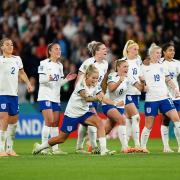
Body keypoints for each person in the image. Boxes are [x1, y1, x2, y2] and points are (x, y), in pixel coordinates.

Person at [32, 65, 116, 156]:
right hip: (72, 114)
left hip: (84, 112)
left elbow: (103, 97)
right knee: (61, 138)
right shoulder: (80, 84)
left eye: (97, 78)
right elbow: (87, 98)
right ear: (87, 76)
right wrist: (97, 98)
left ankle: (104, 150)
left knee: (99, 123)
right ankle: (39, 147)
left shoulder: (95, 85)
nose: (95, 80)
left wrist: (114, 104)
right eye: (93, 78)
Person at [37, 42, 77, 155]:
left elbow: (59, 83)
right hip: (45, 96)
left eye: (59, 49)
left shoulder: (60, 65)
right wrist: (49, 78)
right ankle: (43, 148)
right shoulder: (43, 63)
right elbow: (41, 80)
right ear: (50, 51)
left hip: (56, 97)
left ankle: (55, 149)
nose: (59, 51)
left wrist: (67, 80)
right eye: (56, 49)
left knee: (55, 123)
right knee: (49, 121)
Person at [140, 43, 180, 153]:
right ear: (151, 54)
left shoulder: (162, 66)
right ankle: (142, 147)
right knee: (148, 125)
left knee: (177, 119)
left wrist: (176, 89)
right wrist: (144, 85)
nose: (159, 55)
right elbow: (140, 80)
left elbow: (168, 79)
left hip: (164, 97)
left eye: (159, 53)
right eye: (157, 53)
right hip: (151, 99)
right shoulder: (144, 67)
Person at [0, 38, 33, 156]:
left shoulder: (17, 59)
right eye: (7, 44)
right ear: (2, 47)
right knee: (3, 119)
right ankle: (1, 149)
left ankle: (9, 148)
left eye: (12, 44)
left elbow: (22, 73)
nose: (10, 46)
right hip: (2, 94)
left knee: (13, 122)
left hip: (14, 95)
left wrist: (28, 83)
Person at [102, 59, 144, 153]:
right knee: (122, 120)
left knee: (107, 129)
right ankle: (125, 147)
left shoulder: (128, 77)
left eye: (127, 67)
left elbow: (141, 88)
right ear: (118, 67)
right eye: (125, 66)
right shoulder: (112, 75)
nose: (127, 68)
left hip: (120, 107)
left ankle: (93, 144)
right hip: (108, 104)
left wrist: (142, 81)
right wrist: (119, 81)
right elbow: (111, 88)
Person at [75, 41, 109, 153]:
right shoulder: (88, 62)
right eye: (103, 49)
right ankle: (94, 147)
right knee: (95, 120)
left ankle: (79, 147)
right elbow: (79, 78)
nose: (106, 50)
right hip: (86, 94)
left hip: (95, 94)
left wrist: (101, 94)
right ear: (97, 51)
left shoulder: (105, 64)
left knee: (86, 123)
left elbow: (101, 81)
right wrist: (81, 93)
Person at [160, 42, 180, 153]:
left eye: (173, 50)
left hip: (177, 96)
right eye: (170, 50)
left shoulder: (177, 63)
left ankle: (179, 146)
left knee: (178, 120)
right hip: (165, 95)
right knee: (166, 120)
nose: (172, 52)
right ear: (164, 52)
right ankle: (166, 146)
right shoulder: (160, 63)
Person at [123, 40, 142, 148]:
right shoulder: (123, 61)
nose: (137, 51)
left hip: (136, 93)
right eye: (135, 49)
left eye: (138, 49)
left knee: (130, 119)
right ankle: (137, 145)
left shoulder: (138, 60)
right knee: (136, 117)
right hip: (127, 93)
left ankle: (125, 146)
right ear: (128, 50)